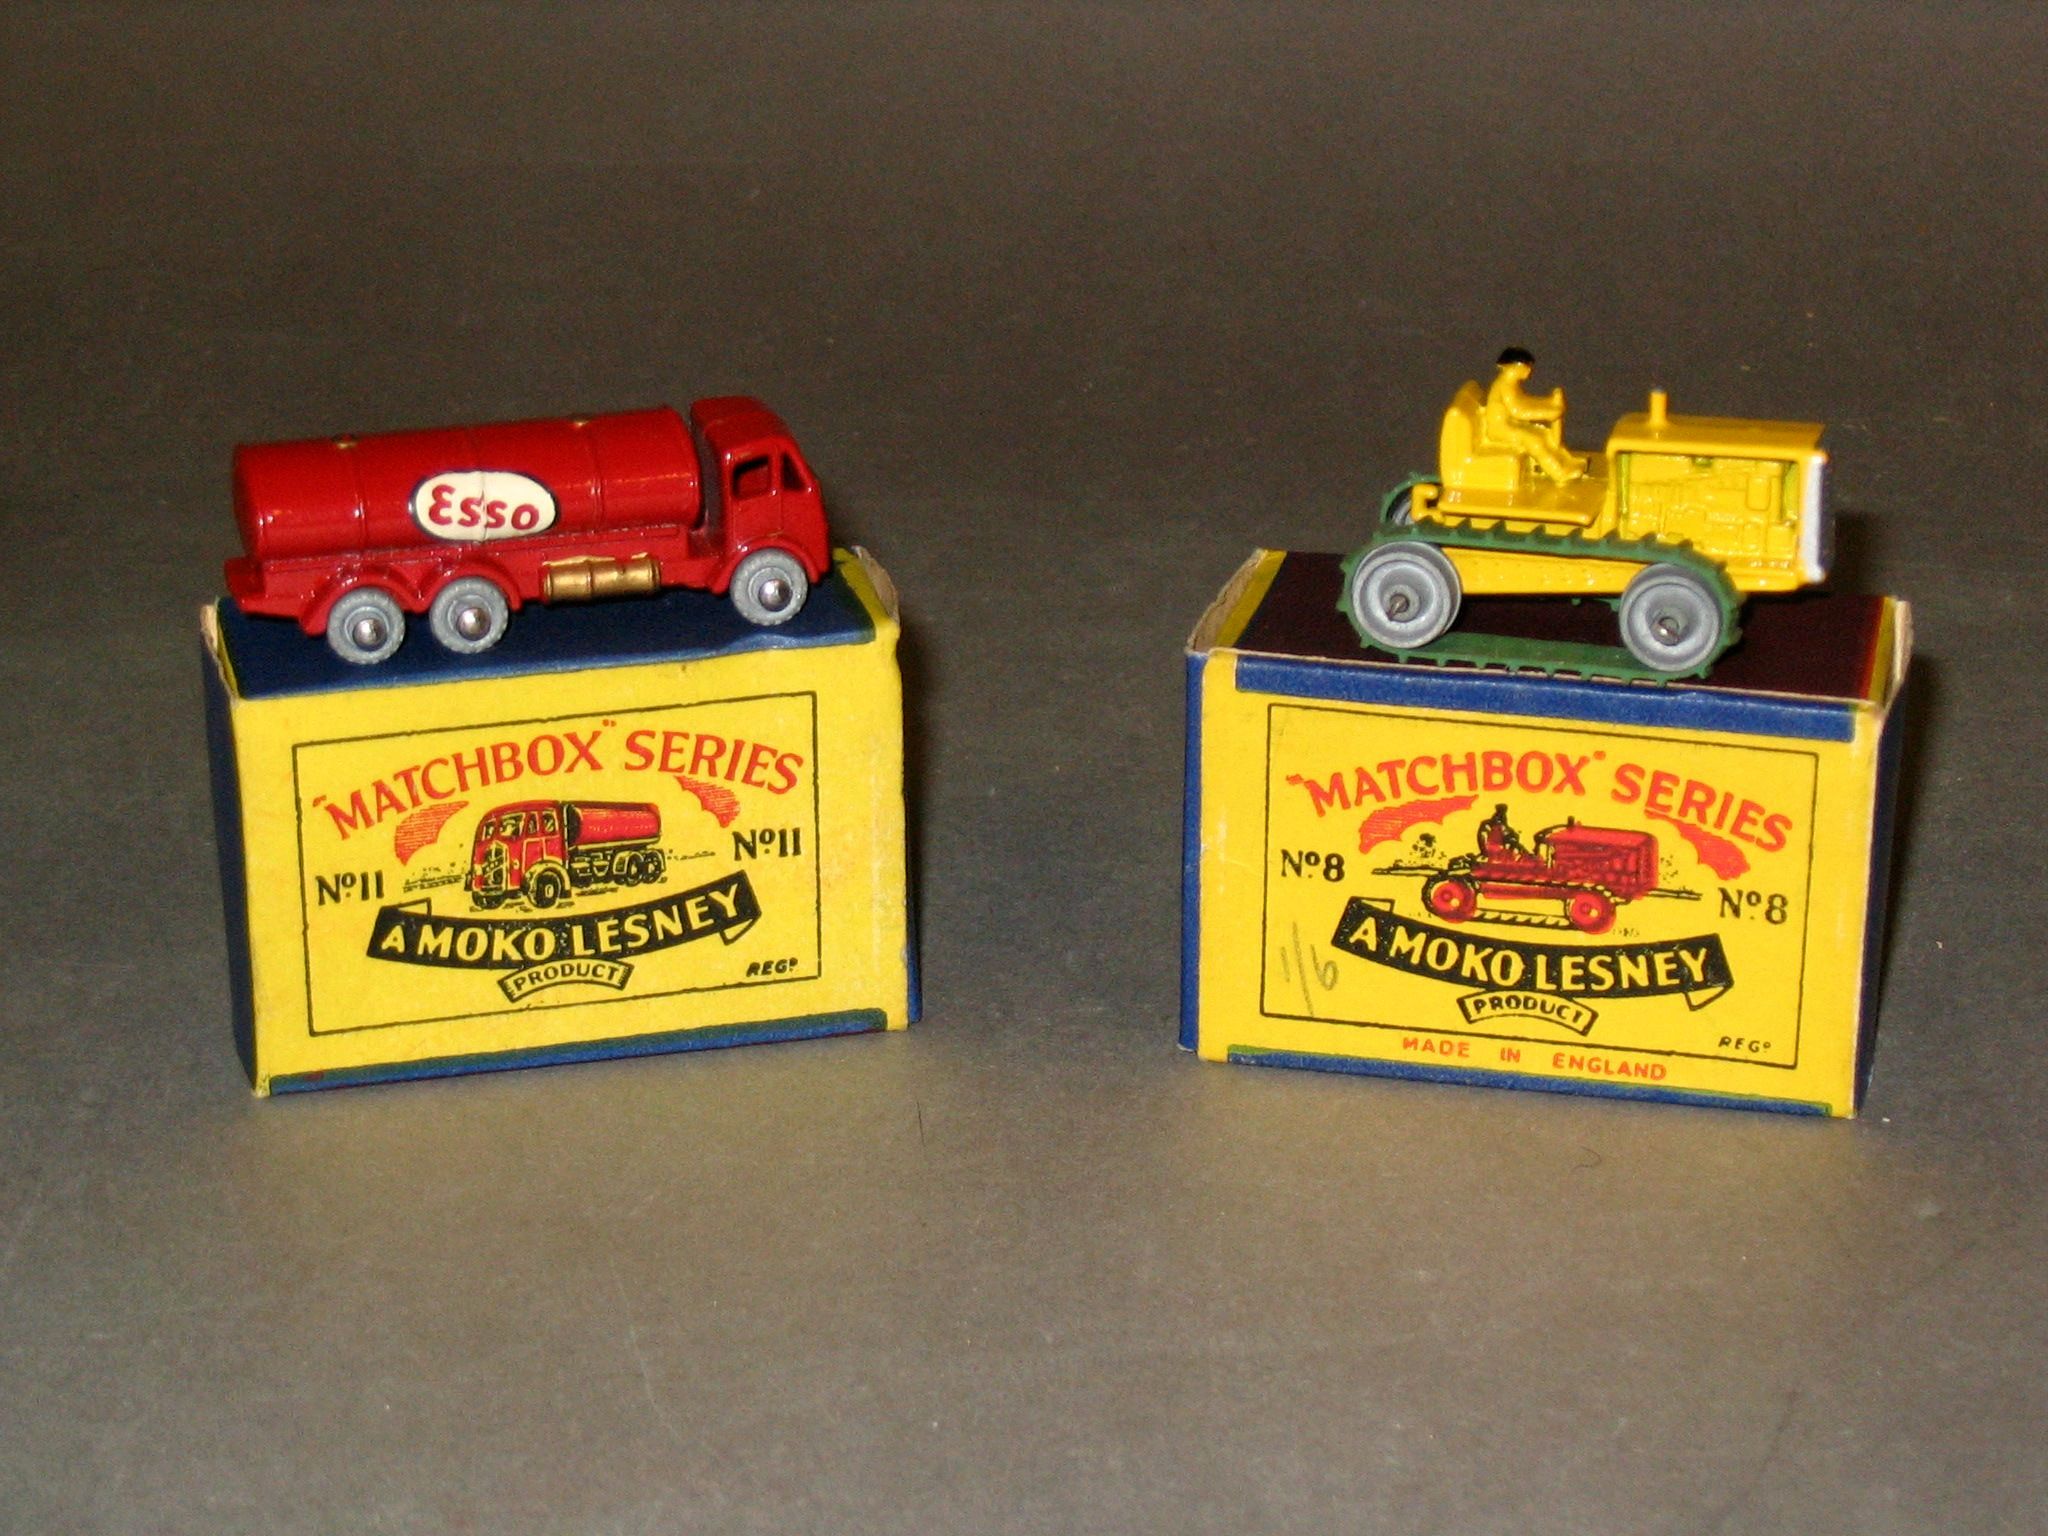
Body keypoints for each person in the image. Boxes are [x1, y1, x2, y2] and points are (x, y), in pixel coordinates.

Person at [1480, 348, 1587, 484]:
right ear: (1514, 366)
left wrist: (1548, 403)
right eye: (1527, 366)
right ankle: (1559, 472)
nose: (1529, 370)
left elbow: (1524, 401)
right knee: (1535, 441)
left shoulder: (1511, 384)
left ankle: (1566, 462)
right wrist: (1546, 413)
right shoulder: (1505, 385)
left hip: (1510, 424)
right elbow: (1517, 410)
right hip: (1500, 429)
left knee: (1544, 434)